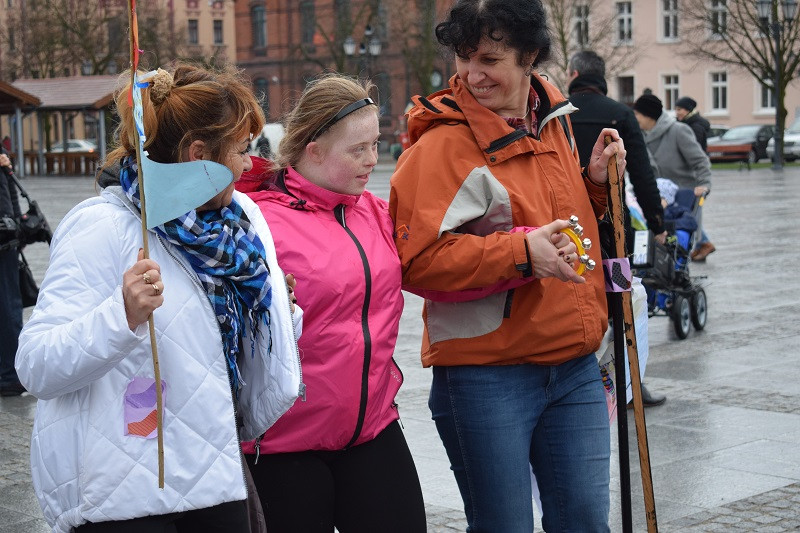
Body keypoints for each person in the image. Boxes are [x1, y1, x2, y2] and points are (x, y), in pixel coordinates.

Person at [14, 63, 303, 533]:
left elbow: (235, 361)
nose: (251, 164)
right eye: (240, 150)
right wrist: (120, 316)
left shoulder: (239, 224)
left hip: (214, 479)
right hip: (127, 496)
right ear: (198, 155)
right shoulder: (100, 227)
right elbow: (36, 365)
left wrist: (280, 311)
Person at [389, 0, 627, 530]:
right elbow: (416, 260)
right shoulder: (442, 145)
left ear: (530, 57)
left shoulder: (552, 122)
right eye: (464, 58)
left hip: (575, 367)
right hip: (486, 376)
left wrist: (592, 184)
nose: (473, 74)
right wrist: (521, 255)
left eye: (490, 59)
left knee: (586, 521)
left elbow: (560, 226)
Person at [237, 73, 427, 533]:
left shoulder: (375, 213)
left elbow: (443, 258)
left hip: (372, 429)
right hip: (285, 447)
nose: (372, 160)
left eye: (375, 144)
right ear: (312, 148)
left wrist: (524, 248)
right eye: (356, 149)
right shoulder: (258, 221)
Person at [567, 50, 666, 407]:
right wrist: (657, 224)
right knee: (622, 300)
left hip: (567, 230)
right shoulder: (620, 113)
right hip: (613, 233)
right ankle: (629, 382)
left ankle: (582, 381)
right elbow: (641, 173)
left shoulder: (559, 112)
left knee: (575, 299)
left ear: (574, 73)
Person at [633, 94, 715, 261]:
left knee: (679, 235)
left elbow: (700, 161)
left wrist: (704, 185)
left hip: (681, 196)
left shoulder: (678, 131)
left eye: (637, 114)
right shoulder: (639, 135)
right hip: (655, 198)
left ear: (648, 115)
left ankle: (688, 256)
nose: (634, 118)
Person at [0, 149, 25, 397]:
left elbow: (10, 190)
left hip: (7, 235)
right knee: (8, 305)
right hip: (4, 236)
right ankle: (9, 374)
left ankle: (9, 372)